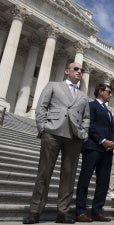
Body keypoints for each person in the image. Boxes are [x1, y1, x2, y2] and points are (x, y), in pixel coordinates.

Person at [22, 62, 90, 224]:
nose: (79, 71)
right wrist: (43, 128)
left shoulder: (83, 95)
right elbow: (41, 107)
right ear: (67, 71)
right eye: (76, 69)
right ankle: (35, 211)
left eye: (81, 70)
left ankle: (63, 211)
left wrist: (83, 133)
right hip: (52, 132)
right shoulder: (53, 85)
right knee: (44, 173)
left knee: (69, 175)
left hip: (74, 137)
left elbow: (86, 117)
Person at [75, 83, 114, 222]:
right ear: (100, 92)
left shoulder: (109, 111)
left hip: (107, 151)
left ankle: (97, 211)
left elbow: (113, 130)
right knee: (85, 179)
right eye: (108, 92)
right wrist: (102, 140)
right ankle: (80, 211)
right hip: (93, 147)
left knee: (103, 182)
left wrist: (113, 142)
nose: (111, 95)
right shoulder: (91, 106)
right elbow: (90, 125)